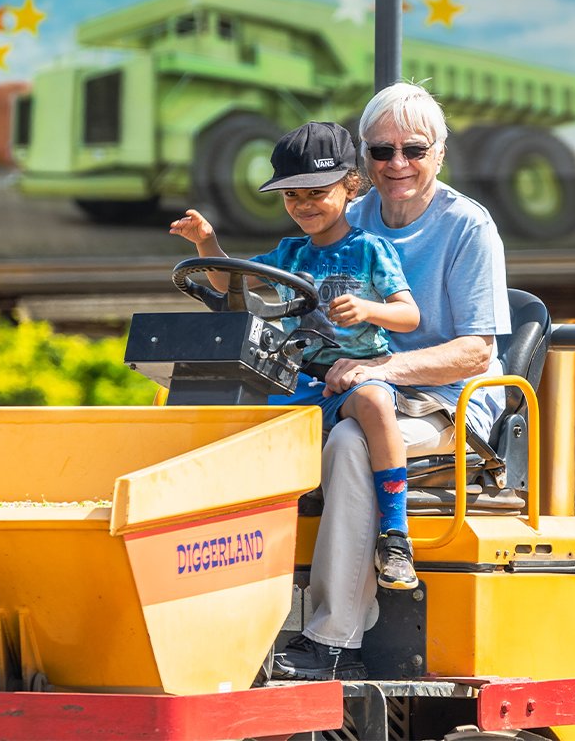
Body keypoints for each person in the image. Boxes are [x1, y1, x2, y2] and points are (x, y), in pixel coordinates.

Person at [266, 82, 512, 682]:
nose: (397, 163)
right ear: (361, 163)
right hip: (354, 387)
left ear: (440, 154)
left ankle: (333, 638)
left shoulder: (467, 227)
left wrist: (379, 370)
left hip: (449, 399)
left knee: (352, 443)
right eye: (381, 151)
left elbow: (476, 352)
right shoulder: (350, 216)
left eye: (414, 149)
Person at [170, 121, 425, 592]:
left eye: (315, 192)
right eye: (291, 197)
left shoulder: (371, 250)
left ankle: (394, 533)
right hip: (293, 375)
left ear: (350, 187)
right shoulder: (289, 253)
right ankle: (208, 533)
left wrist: (370, 308)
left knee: (375, 403)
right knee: (210, 402)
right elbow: (233, 285)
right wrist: (207, 243)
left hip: (351, 377)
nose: (303, 205)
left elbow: (408, 316)